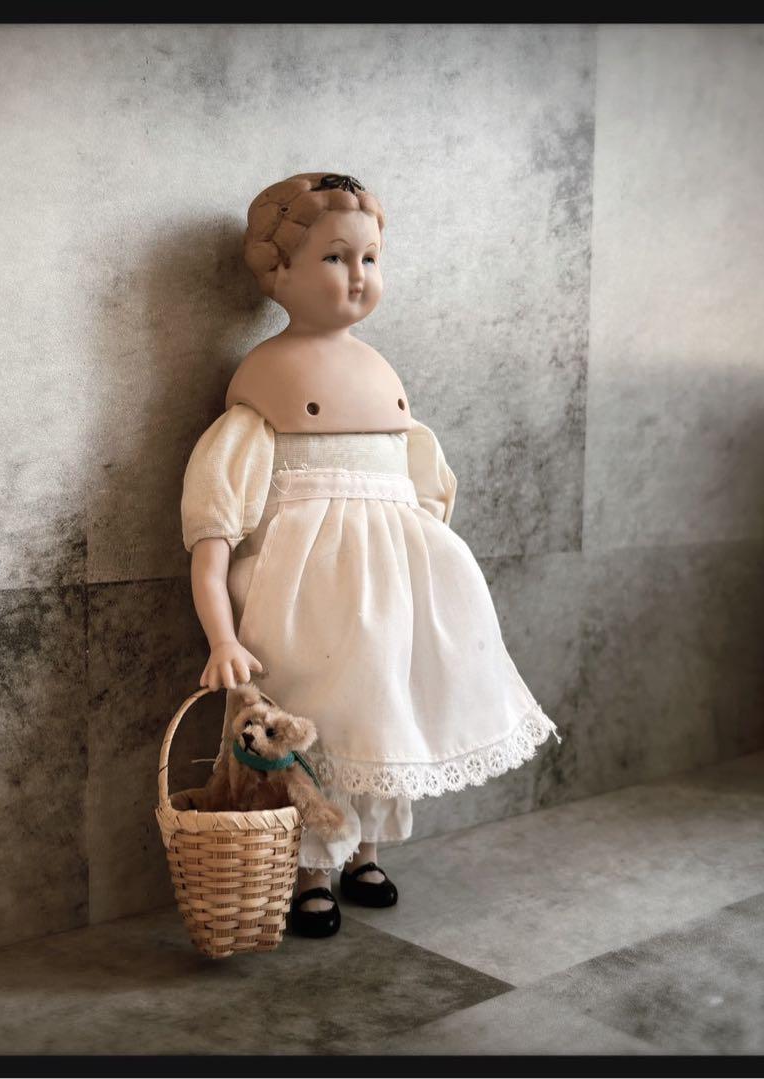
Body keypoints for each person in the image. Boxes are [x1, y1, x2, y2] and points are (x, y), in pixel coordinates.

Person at [180, 172, 562, 938]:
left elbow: (423, 487)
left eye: (370, 258)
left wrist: (424, 570)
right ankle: (311, 868)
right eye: (334, 257)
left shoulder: (382, 377)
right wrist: (222, 636)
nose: (357, 275)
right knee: (311, 718)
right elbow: (214, 524)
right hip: (303, 597)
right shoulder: (267, 387)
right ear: (278, 270)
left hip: (386, 595)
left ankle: (367, 851)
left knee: (381, 711)